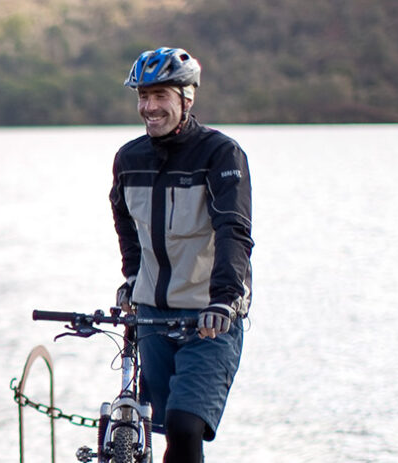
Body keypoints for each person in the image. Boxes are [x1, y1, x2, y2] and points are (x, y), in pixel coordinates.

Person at [108, 47, 254, 463]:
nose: (149, 107)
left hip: (209, 318)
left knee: (186, 425)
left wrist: (225, 298)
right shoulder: (129, 158)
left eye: (160, 97)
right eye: (142, 97)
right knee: (160, 426)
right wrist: (133, 277)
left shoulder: (220, 154)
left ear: (186, 98)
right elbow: (125, 226)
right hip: (153, 314)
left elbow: (234, 230)